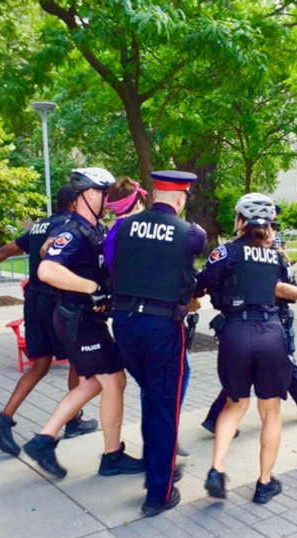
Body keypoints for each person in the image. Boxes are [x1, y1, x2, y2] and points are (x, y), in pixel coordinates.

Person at [23, 167, 143, 479]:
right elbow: (47, 271)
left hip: (83, 319)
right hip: (78, 319)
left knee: (93, 382)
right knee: (114, 381)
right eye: (104, 194)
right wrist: (92, 288)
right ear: (90, 194)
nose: (108, 200)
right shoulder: (73, 232)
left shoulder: (93, 230)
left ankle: (44, 439)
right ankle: (112, 454)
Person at [0, 185, 98, 456]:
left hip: (33, 301)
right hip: (56, 301)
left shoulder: (39, 226)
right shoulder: (69, 225)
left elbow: (6, 250)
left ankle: (3, 418)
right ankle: (72, 421)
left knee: (40, 365)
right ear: (76, 203)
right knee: (78, 360)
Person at [110, 170, 206, 517]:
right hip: (161, 327)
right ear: (181, 199)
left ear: (152, 193)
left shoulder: (122, 228)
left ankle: (158, 465)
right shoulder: (191, 234)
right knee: (164, 405)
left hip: (123, 326)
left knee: (152, 396)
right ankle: (159, 492)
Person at [197, 193, 297, 505]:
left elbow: (200, 284)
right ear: (269, 224)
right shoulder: (277, 256)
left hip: (235, 334)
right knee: (270, 412)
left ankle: (216, 469)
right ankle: (264, 483)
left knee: (234, 404)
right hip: (270, 334)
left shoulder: (224, 252)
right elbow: (286, 291)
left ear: (240, 221)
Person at [201, 212, 297, 432]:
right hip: (264, 323)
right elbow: (279, 288)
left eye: (274, 227)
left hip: (258, 323)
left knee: (252, 371)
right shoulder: (258, 255)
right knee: (266, 371)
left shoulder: (262, 253)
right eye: (270, 227)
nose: (272, 232)